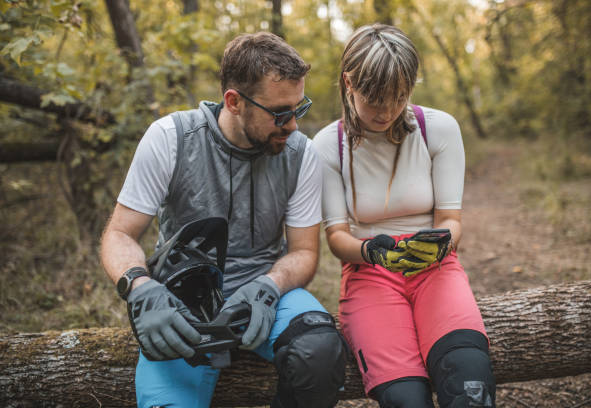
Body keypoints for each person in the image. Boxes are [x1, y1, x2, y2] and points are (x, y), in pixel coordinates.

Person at [100, 32, 347, 408]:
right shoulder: (170, 138)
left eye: (299, 108)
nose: (293, 125)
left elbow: (303, 253)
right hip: (184, 300)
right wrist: (140, 287)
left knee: (320, 352)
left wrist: (269, 285)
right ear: (233, 101)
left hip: (266, 294)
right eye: (280, 113)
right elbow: (119, 234)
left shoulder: (301, 153)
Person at [313, 24, 496, 408]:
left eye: (398, 97)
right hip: (370, 274)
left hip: (436, 268)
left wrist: (441, 243)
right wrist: (372, 252)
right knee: (405, 398)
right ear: (349, 82)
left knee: (469, 380)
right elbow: (337, 239)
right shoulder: (328, 145)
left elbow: (451, 220)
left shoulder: (439, 129)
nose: (387, 111)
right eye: (374, 99)